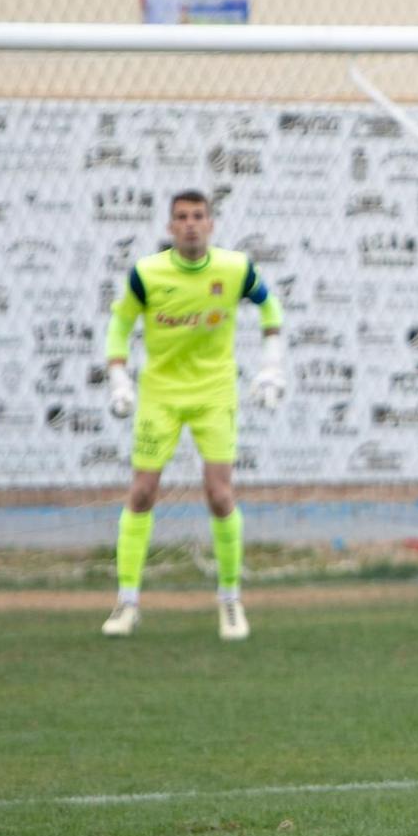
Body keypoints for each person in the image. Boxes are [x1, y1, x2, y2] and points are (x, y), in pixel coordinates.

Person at [98, 190, 286, 642]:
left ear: (211, 224)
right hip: (160, 396)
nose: (190, 225)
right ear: (169, 226)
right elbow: (120, 324)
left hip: (214, 394)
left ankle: (230, 601)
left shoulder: (235, 268)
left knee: (220, 495)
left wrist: (272, 366)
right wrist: (119, 378)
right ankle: (127, 602)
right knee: (142, 493)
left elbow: (270, 307)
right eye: (181, 217)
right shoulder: (146, 273)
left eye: (198, 216)